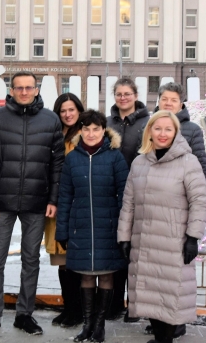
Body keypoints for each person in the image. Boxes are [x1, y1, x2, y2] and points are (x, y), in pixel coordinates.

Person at [0, 72, 65, 337]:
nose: (24, 92)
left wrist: (53, 199)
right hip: (1, 201)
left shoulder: (50, 119)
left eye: (29, 87)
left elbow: (57, 164)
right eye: (19, 88)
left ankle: (24, 314)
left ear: (36, 90)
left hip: (37, 200)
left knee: (31, 260)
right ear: (11, 91)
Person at [117, 111, 206, 343]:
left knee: (169, 296)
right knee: (150, 296)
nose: (162, 134)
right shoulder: (139, 162)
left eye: (168, 129)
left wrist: (193, 237)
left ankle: (165, 339)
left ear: (176, 132)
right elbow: (129, 203)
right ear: (149, 131)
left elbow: (199, 201)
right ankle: (159, 338)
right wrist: (124, 237)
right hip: (144, 243)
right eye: (157, 128)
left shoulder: (188, 162)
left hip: (173, 243)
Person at [56, 110, 129, 343]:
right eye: (86, 129)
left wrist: (123, 230)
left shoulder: (115, 157)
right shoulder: (72, 158)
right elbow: (65, 196)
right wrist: (62, 230)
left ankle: (99, 326)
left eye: (96, 129)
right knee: (86, 276)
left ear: (103, 131)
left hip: (108, 226)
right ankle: (87, 325)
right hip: (81, 227)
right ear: (80, 131)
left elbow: (125, 196)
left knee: (106, 274)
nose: (90, 133)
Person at [105, 77, 150, 323]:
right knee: (116, 249)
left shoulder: (147, 122)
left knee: (136, 253)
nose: (123, 98)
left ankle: (135, 306)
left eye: (127, 94)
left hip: (140, 193)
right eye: (119, 94)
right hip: (111, 194)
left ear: (135, 96)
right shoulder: (107, 122)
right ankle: (114, 303)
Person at [47, 93, 86, 329]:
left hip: (76, 205)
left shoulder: (84, 134)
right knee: (62, 260)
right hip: (56, 203)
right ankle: (68, 307)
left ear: (79, 110)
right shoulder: (54, 134)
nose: (68, 114)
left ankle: (78, 310)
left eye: (71, 109)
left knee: (75, 259)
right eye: (63, 110)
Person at [155, 82, 206, 193]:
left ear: (180, 105)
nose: (168, 103)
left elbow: (200, 169)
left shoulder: (193, 130)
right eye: (164, 99)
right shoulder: (147, 127)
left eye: (174, 100)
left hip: (179, 196)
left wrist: (202, 199)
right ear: (159, 101)